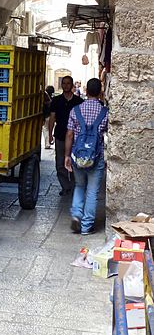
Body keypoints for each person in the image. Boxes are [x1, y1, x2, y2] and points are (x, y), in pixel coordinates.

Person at [64, 78, 108, 235]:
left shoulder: (75, 111)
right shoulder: (105, 113)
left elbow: (69, 134)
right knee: (92, 192)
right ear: (100, 92)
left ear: (86, 91)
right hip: (96, 158)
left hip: (78, 156)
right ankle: (86, 226)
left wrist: (67, 156)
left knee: (79, 186)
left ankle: (76, 214)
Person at [48, 76, 83, 195]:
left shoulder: (78, 101)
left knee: (75, 163)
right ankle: (65, 186)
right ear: (62, 85)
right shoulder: (56, 100)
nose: (66, 85)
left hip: (75, 138)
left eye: (68, 83)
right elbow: (52, 117)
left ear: (72, 85)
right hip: (60, 135)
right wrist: (50, 134)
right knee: (60, 163)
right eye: (64, 83)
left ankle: (74, 186)